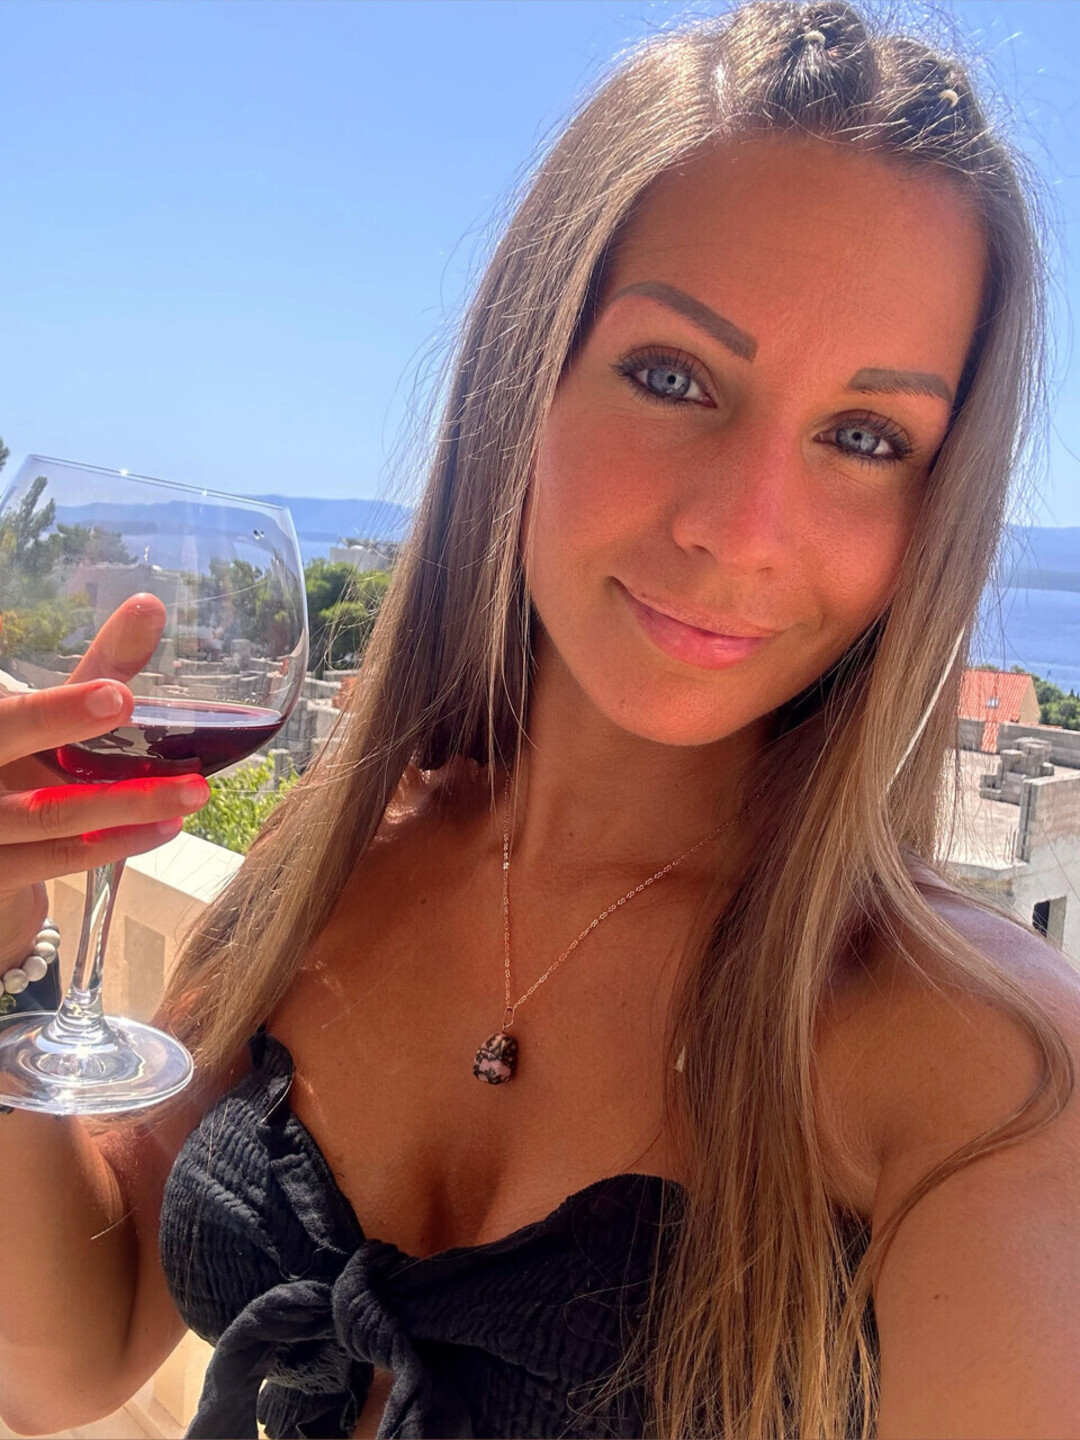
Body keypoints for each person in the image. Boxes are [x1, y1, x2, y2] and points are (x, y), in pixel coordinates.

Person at [2, 2, 1079, 1436]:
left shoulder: (986, 1071)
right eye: (673, 375)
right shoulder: (336, 858)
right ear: (527, 379)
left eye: (864, 437)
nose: (743, 528)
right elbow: (67, 1357)